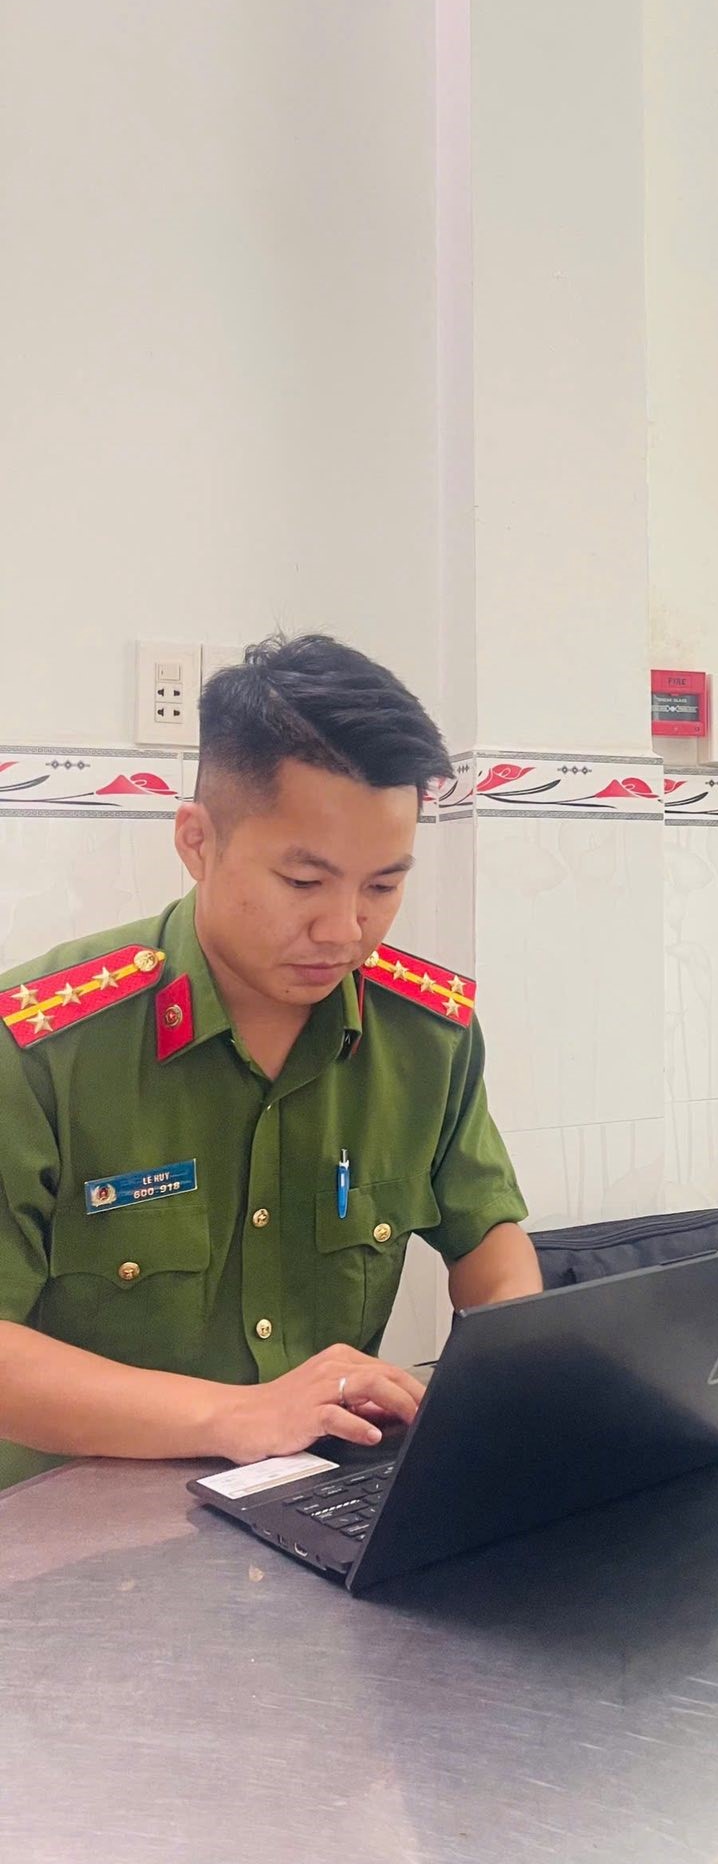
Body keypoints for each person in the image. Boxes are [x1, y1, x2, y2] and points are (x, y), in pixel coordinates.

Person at [0, 634, 540, 1488]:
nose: (345, 929)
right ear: (197, 841)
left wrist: (512, 1378)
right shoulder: (42, 1048)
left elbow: (491, 1242)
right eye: (303, 883)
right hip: (77, 1524)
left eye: (382, 886)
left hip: (318, 1501)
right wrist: (236, 1415)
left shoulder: (426, 1036)